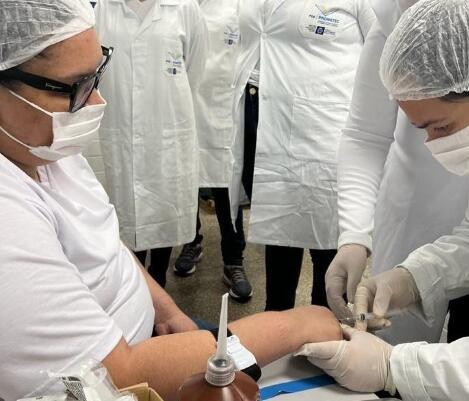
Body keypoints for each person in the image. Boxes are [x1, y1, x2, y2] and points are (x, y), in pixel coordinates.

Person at [0, 2, 343, 400]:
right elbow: (118, 376)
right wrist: (294, 325)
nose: (96, 103)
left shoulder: (43, 149)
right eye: (75, 87)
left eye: (97, 77)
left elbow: (106, 245)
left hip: (152, 336)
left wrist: (167, 311)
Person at [297, 0, 469, 399]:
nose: (433, 146)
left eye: (440, 127)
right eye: (421, 129)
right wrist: (412, 279)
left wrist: (392, 367)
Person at [325, 0, 469, 344]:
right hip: (415, 214)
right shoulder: (393, 20)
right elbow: (365, 134)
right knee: (396, 345)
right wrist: (355, 234)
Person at [228, 0, 377, 311]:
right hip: (269, 124)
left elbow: (383, 56)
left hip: (329, 135)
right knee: (281, 243)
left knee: (329, 257)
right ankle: (278, 336)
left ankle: (326, 335)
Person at [92, 0, 207, 288]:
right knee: (125, 217)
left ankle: (158, 282)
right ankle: (134, 289)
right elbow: (95, 67)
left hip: (165, 130)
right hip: (120, 131)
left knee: (161, 210)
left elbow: (194, 69)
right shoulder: (105, 8)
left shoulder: (183, 8)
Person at [174, 0, 254, 302]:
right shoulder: (177, 5)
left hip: (225, 107)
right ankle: (191, 240)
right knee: (185, 177)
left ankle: (234, 259)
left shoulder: (239, 6)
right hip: (185, 102)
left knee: (225, 185)